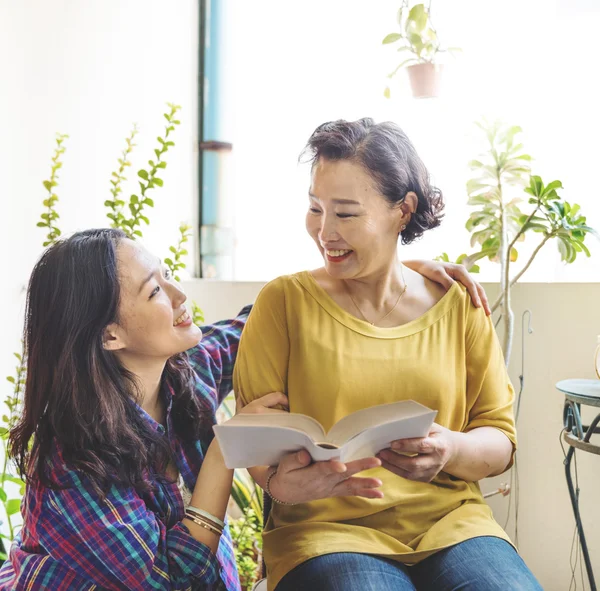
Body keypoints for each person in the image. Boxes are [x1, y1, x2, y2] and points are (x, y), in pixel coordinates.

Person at [0, 227, 480, 590]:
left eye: (167, 275)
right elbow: (170, 576)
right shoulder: (69, 463)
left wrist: (391, 274)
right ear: (110, 335)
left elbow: (277, 315)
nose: (180, 296)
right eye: (154, 291)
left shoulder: (190, 370)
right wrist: (224, 450)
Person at [233, 118, 543, 590]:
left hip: (454, 527)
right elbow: (256, 445)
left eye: (346, 213)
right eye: (316, 208)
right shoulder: (283, 303)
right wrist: (280, 484)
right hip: (325, 534)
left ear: (403, 210)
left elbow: (500, 441)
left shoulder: (457, 305)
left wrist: (451, 449)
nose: (325, 232)